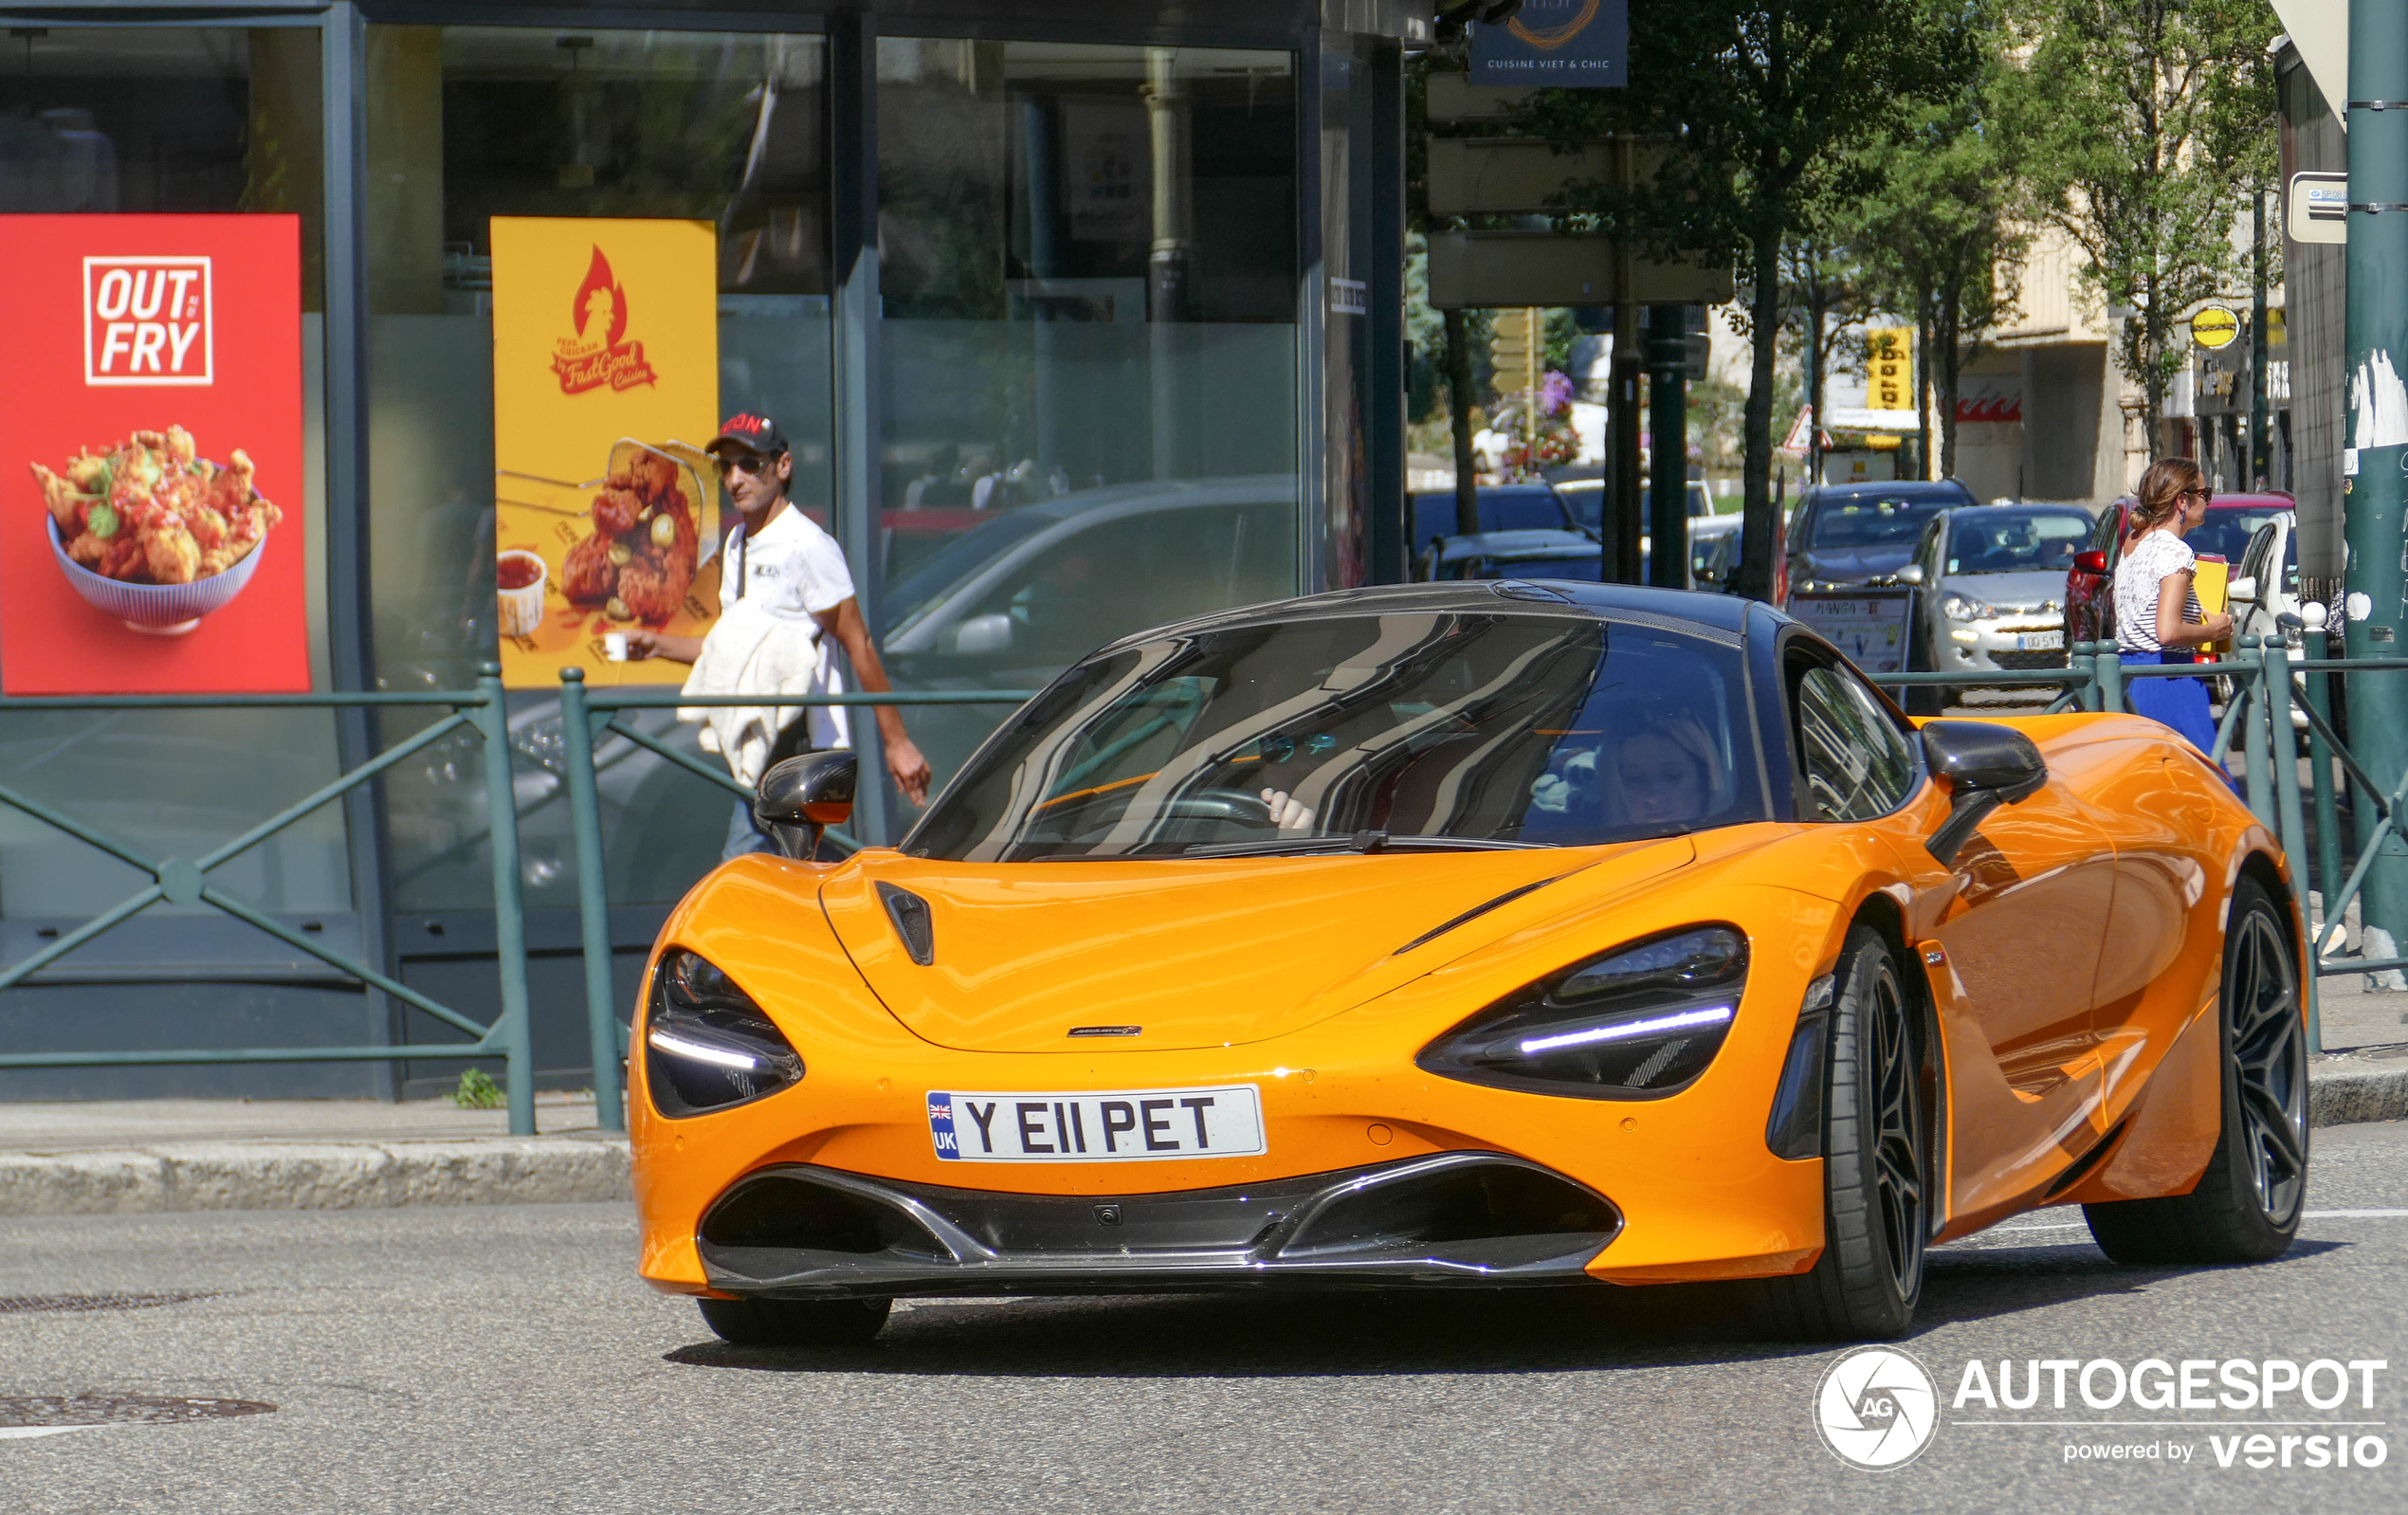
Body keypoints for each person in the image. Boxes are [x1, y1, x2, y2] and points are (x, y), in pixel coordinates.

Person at [625, 411, 932, 858]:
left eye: (749, 464)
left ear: (782, 466)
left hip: (807, 753)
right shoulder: (735, 546)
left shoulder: (807, 545)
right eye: (726, 467)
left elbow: (857, 642)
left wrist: (897, 741)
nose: (735, 478)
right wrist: (657, 646)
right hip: (760, 750)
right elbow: (732, 654)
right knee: (794, 885)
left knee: (752, 876)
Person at [2112, 457, 2235, 758]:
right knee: (2206, 781)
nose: (2208, 501)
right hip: (2169, 678)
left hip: (2128, 677)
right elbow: (2167, 631)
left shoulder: (2134, 540)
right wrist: (2215, 628)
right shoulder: (2175, 550)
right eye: (2205, 494)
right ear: (2182, 501)